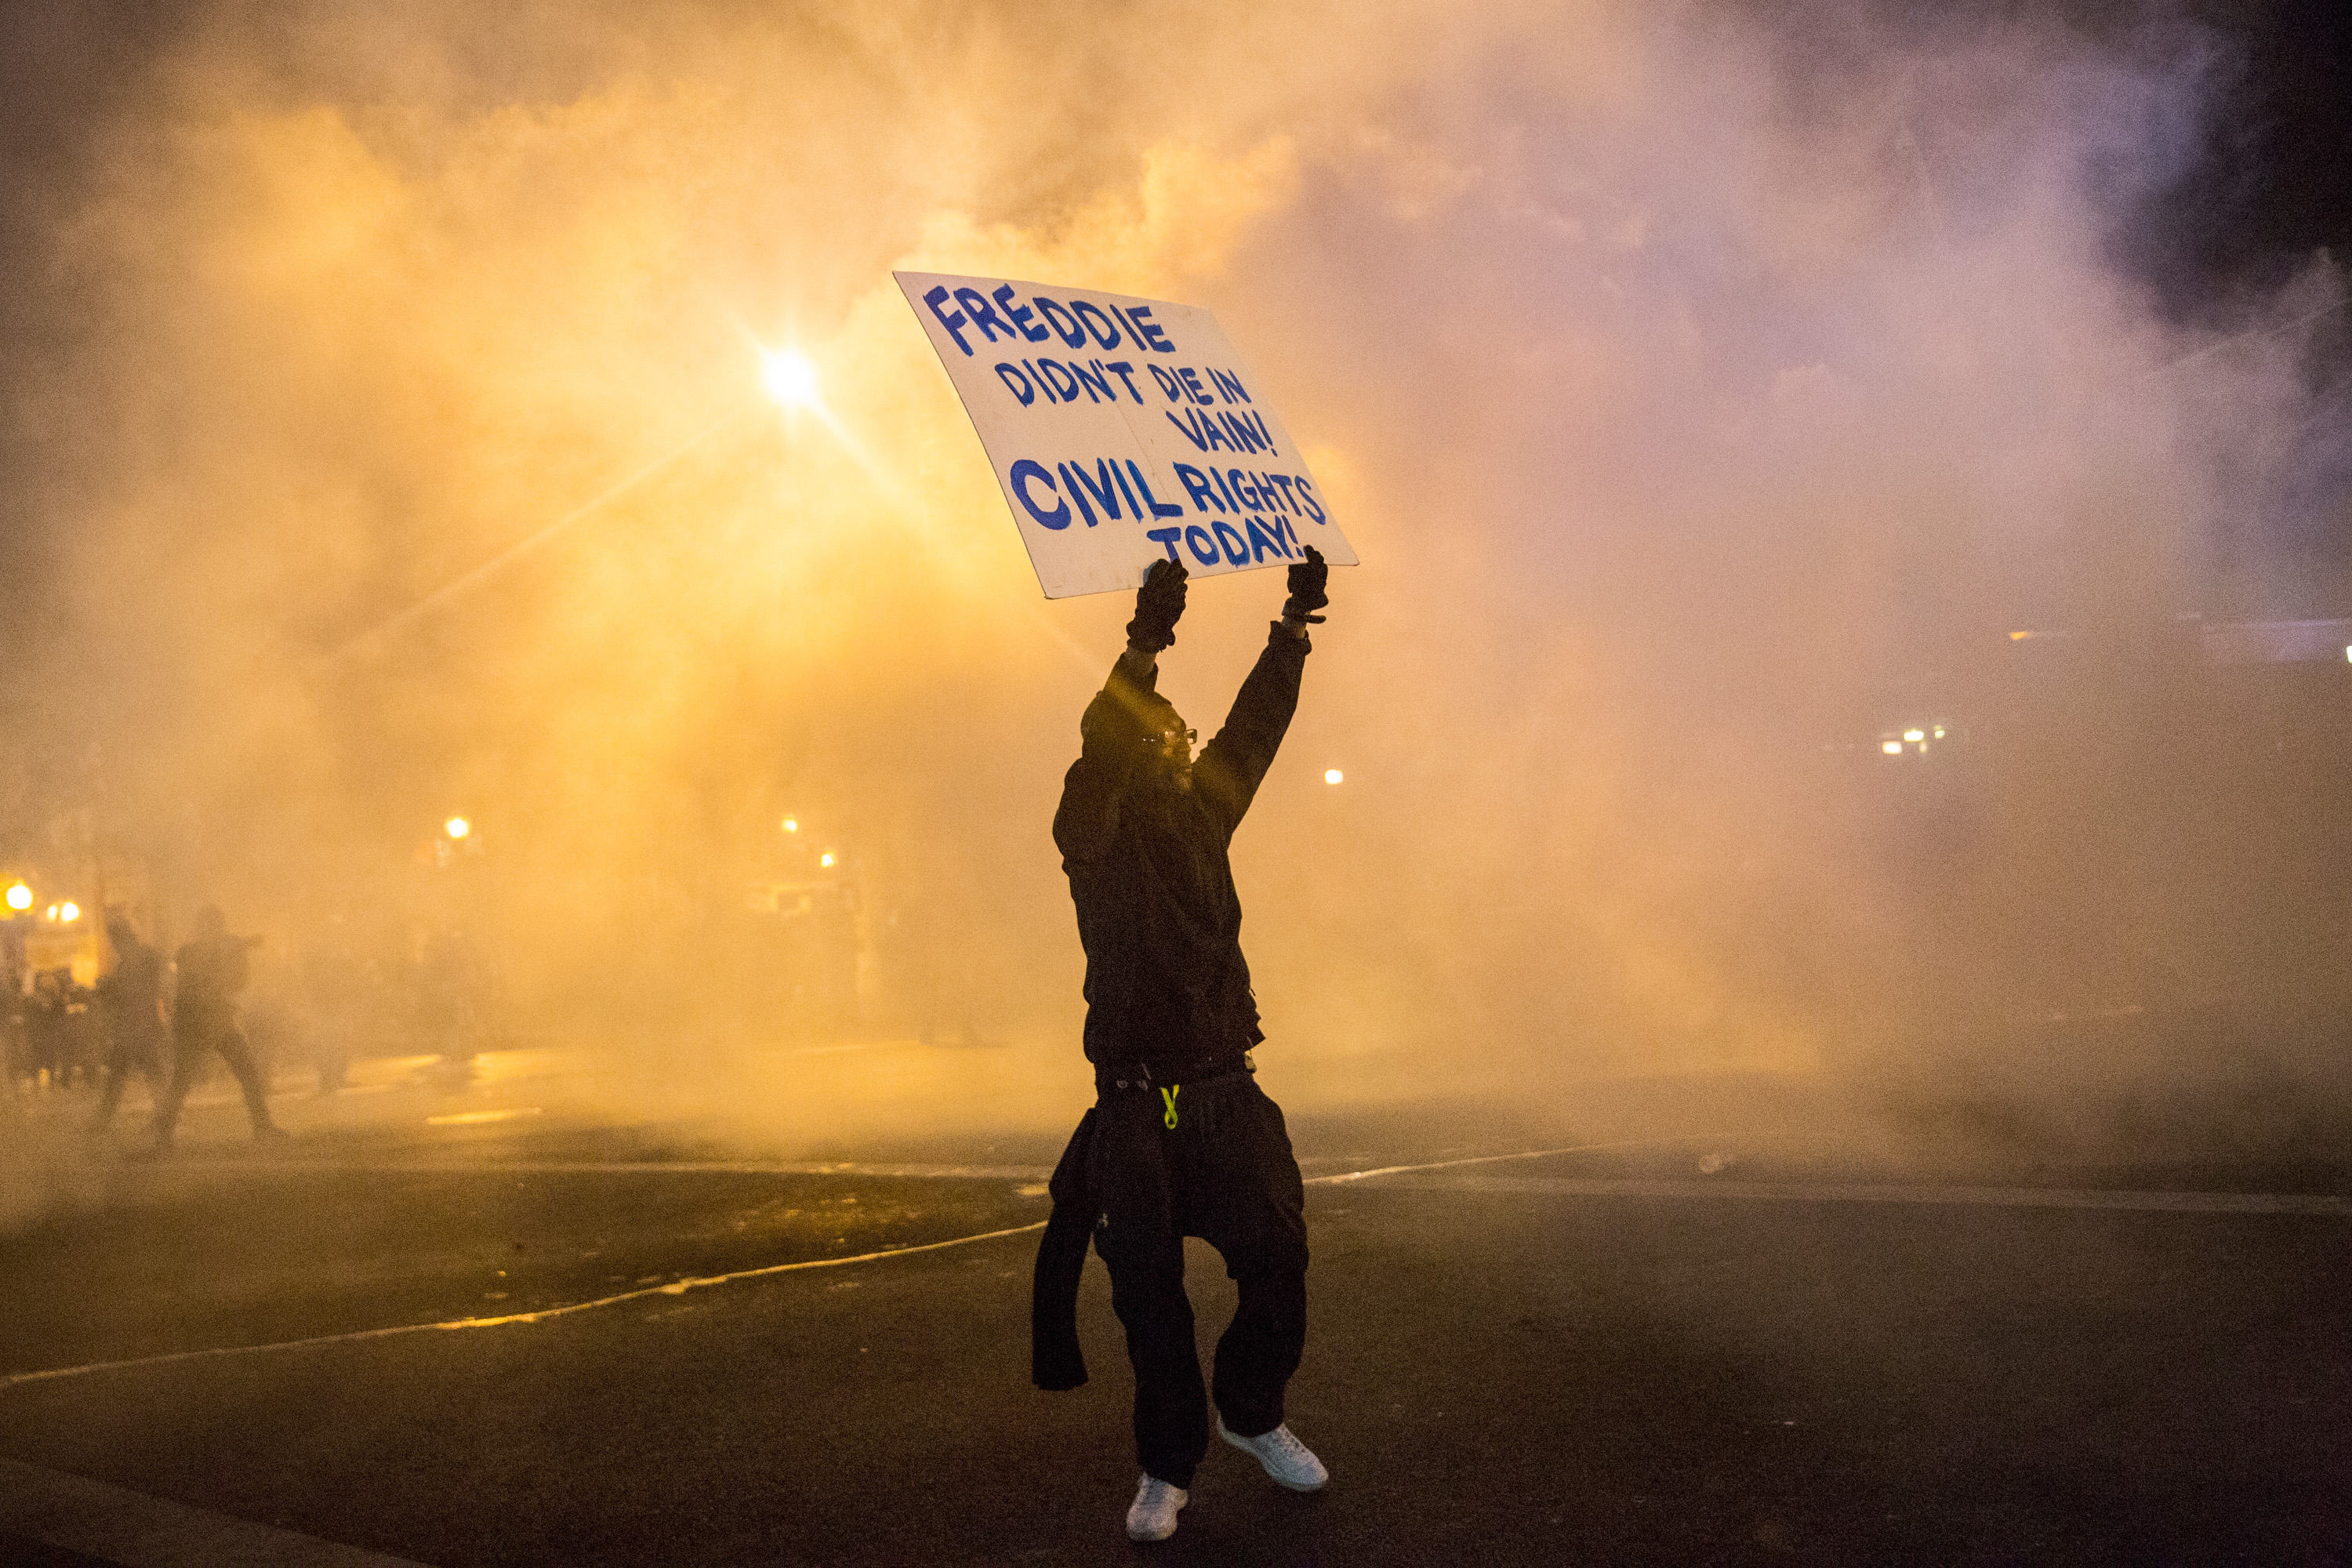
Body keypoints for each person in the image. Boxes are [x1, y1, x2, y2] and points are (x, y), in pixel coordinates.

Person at [1036, 546, 1333, 1543]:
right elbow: (1100, 745)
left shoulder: (1205, 816)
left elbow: (1258, 728)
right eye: (1163, 737)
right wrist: (1142, 647)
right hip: (1134, 1102)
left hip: (1221, 1088)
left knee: (1279, 1253)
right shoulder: (1092, 830)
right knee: (1149, 1297)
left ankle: (1253, 1412)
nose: (1184, 749)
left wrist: (1289, 631)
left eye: (1183, 739)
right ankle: (1167, 1466)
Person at [152, 905, 285, 1150]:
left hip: (217, 1019)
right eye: (212, 926)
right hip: (195, 1022)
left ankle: (262, 1124)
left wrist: (233, 955)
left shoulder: (214, 950)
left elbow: (237, 983)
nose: (215, 931)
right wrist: (227, 957)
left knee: (247, 1071)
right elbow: (202, 983)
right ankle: (164, 1131)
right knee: (184, 1079)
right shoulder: (188, 953)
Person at [93, 914, 169, 1129]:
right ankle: (165, 1115)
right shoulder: (142, 955)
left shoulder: (134, 958)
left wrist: (106, 988)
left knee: (126, 1073)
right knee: (149, 1072)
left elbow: (129, 991)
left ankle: (165, 1116)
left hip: (135, 1026)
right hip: (138, 1024)